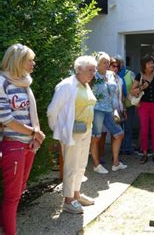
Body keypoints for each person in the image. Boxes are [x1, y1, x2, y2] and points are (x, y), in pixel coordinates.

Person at [0, 43, 45, 235]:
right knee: (12, 197)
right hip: (13, 145)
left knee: (18, 192)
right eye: (30, 60)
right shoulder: (2, 83)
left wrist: (35, 135)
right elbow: (5, 119)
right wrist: (33, 133)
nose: (33, 63)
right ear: (18, 61)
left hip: (28, 145)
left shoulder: (25, 82)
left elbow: (30, 112)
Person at [47, 56, 97, 214]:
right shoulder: (66, 86)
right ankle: (68, 200)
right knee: (71, 166)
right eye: (90, 70)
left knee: (81, 164)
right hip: (72, 131)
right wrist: (59, 131)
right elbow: (52, 111)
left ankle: (76, 194)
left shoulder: (85, 85)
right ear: (79, 69)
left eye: (94, 70)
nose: (93, 73)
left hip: (86, 130)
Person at [90, 52, 127, 173]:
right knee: (96, 137)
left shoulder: (111, 75)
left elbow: (117, 92)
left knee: (119, 134)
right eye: (104, 62)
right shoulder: (93, 76)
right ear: (97, 64)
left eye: (108, 62)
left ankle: (115, 163)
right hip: (97, 110)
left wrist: (119, 108)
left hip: (111, 110)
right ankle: (96, 165)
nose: (107, 65)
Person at [129, 54, 154, 164]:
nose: (152, 65)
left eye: (152, 63)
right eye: (149, 63)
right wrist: (142, 87)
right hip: (143, 105)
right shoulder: (139, 76)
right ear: (144, 65)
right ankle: (144, 154)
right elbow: (132, 91)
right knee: (144, 130)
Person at [97, 57, 126, 163]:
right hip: (104, 109)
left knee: (116, 132)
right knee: (102, 133)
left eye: (117, 66)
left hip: (116, 110)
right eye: (113, 66)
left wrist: (123, 109)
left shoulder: (119, 79)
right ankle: (100, 156)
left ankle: (115, 157)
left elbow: (120, 96)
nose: (116, 68)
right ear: (108, 66)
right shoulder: (102, 77)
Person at [115, 55, 136, 155]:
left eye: (120, 63)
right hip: (117, 107)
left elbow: (135, 87)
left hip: (129, 105)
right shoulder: (112, 75)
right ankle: (118, 148)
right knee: (118, 128)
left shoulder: (130, 73)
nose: (118, 66)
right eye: (116, 64)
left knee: (128, 127)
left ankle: (127, 147)